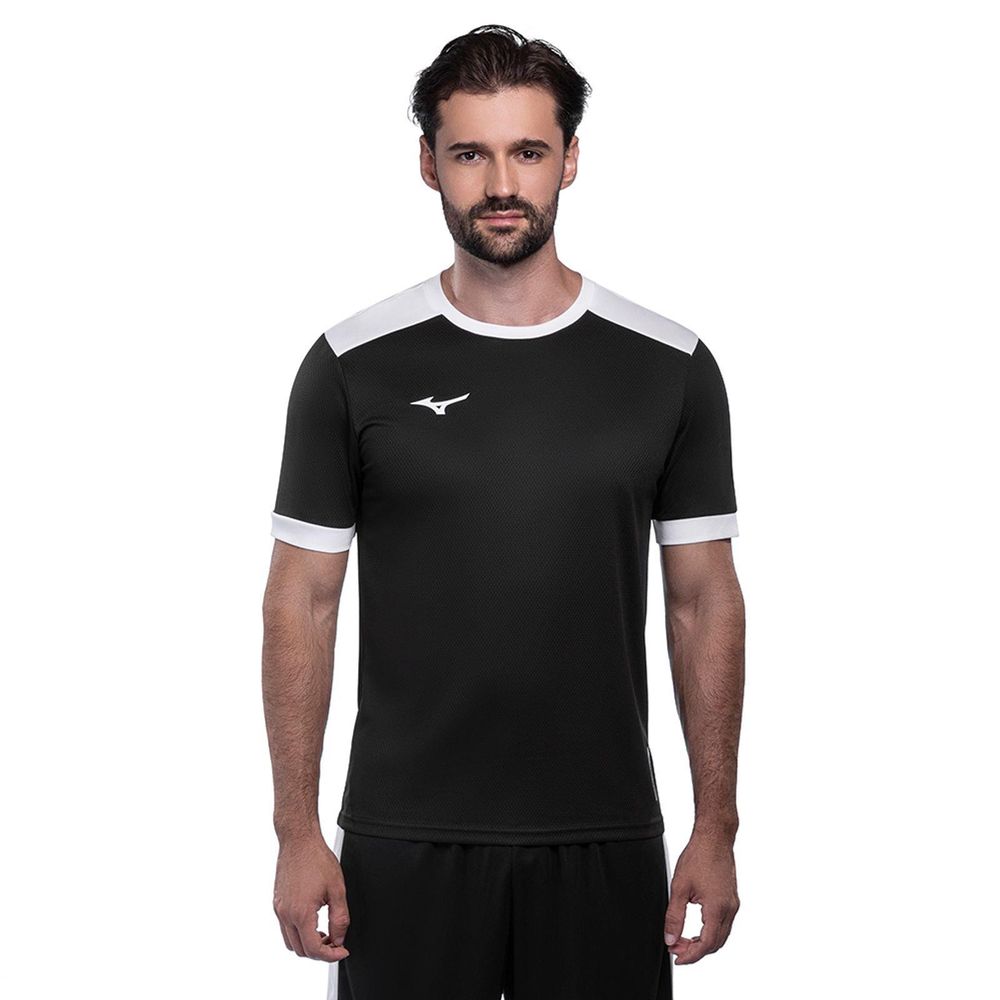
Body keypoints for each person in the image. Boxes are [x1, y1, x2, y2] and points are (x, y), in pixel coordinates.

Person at [262, 23, 745, 1000]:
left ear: (570, 158)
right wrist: (295, 830)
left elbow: (703, 602)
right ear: (427, 164)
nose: (499, 184)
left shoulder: (669, 368)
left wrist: (716, 826)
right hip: (403, 839)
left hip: (605, 835)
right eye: (469, 154)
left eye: (527, 151)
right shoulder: (352, 366)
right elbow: (300, 602)